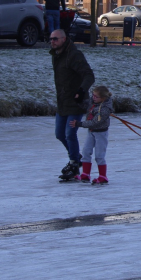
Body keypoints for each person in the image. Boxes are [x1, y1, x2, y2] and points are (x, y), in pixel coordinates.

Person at [50, 29, 95, 181]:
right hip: (63, 102)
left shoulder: (74, 55)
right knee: (59, 134)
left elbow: (89, 75)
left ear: (64, 39)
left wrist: (81, 91)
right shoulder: (56, 56)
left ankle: (74, 163)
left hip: (76, 102)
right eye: (50, 39)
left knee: (70, 134)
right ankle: (76, 157)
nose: (52, 42)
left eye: (55, 39)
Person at [68, 85, 113, 184]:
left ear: (103, 98)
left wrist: (79, 124)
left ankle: (103, 176)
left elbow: (95, 122)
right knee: (86, 152)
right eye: (93, 95)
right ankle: (85, 174)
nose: (93, 98)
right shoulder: (93, 102)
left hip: (101, 133)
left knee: (99, 156)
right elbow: (85, 106)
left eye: (96, 97)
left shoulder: (104, 109)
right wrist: (78, 100)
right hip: (91, 132)